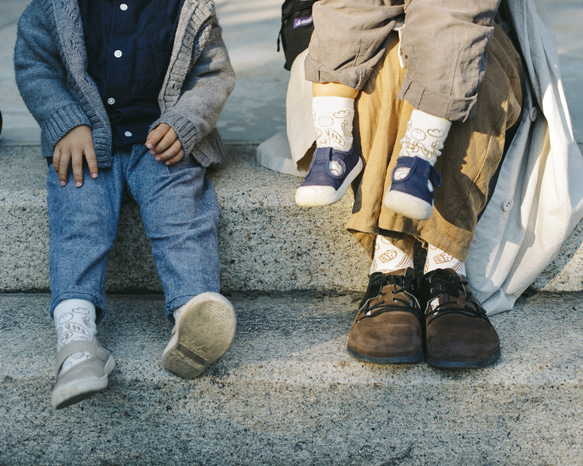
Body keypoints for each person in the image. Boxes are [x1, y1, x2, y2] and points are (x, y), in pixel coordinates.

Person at [14, 0, 236, 409]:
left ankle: (193, 316)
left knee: (181, 217)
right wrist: (65, 121)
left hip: (162, 141)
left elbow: (212, 76)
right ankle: (77, 342)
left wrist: (184, 121)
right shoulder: (54, 7)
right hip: (85, 145)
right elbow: (36, 65)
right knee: (80, 221)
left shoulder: (188, 8)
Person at [294, 0, 524, 367]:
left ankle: (444, 268)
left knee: (467, 58)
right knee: (386, 64)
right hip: (340, 46)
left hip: (472, 22)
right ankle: (391, 267)